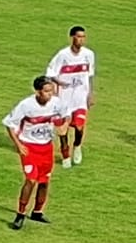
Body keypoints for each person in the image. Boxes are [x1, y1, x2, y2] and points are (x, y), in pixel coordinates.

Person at [2, 76, 71, 230]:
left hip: (46, 148)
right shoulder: (26, 105)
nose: (50, 94)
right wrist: (18, 144)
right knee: (31, 180)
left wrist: (65, 125)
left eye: (51, 91)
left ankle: (37, 212)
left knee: (45, 181)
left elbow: (67, 114)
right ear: (38, 91)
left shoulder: (56, 103)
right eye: (47, 91)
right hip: (29, 147)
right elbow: (9, 123)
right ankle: (20, 214)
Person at [45, 25, 96, 168]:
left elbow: (90, 75)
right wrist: (59, 83)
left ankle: (77, 146)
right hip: (64, 98)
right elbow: (50, 74)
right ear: (72, 37)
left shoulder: (89, 54)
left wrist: (91, 93)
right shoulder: (62, 55)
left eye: (83, 37)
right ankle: (65, 153)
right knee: (63, 130)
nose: (81, 40)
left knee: (80, 126)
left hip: (80, 96)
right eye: (78, 37)